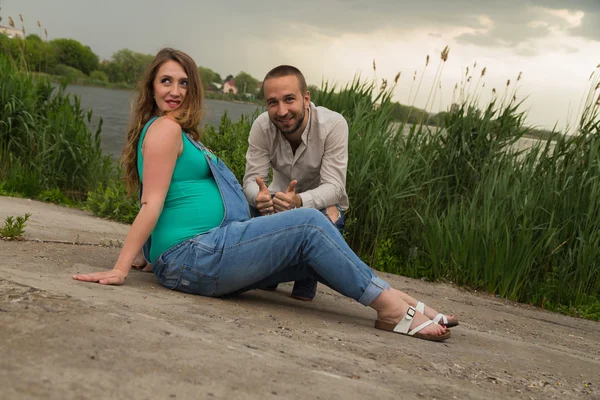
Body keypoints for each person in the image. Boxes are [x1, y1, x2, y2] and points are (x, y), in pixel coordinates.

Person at [72, 48, 457, 342]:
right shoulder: (165, 130)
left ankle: (404, 302)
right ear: (151, 88)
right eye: (166, 82)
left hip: (205, 253)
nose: (175, 91)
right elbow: (151, 201)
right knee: (309, 222)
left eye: (184, 82)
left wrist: (147, 249)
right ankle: (392, 310)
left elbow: (167, 194)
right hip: (195, 255)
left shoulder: (178, 132)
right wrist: (121, 267)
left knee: (319, 247)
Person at [243, 65, 348, 302]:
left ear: (306, 98)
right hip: (276, 202)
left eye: (289, 99)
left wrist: (300, 201)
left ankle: (306, 274)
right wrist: (257, 197)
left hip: (322, 205)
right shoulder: (261, 126)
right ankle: (271, 271)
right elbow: (251, 180)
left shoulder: (333, 125)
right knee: (244, 206)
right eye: (273, 102)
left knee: (328, 216)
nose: (282, 111)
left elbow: (334, 187)